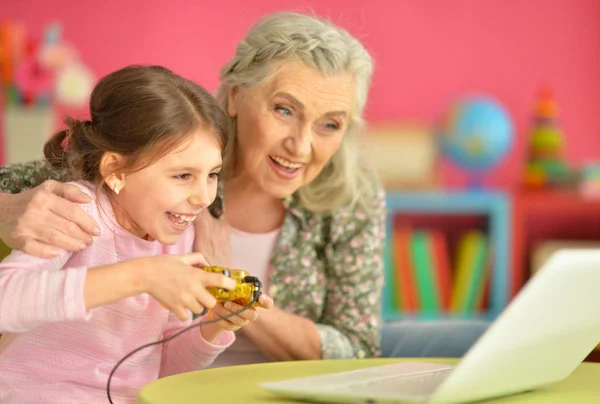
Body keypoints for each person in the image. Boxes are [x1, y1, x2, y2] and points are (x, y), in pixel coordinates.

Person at [0, 12, 487, 365]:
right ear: (234, 96)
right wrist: (7, 209)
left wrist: (237, 295)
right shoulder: (168, 156)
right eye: (284, 110)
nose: (301, 145)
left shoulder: (351, 198)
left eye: (330, 124)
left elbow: (355, 347)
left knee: (492, 341)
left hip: (285, 377)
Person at [0, 65, 272, 403]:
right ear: (115, 170)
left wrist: (215, 324)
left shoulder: (176, 233)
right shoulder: (76, 213)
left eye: (212, 174)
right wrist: (141, 275)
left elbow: (160, 367)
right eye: (183, 175)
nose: (204, 196)